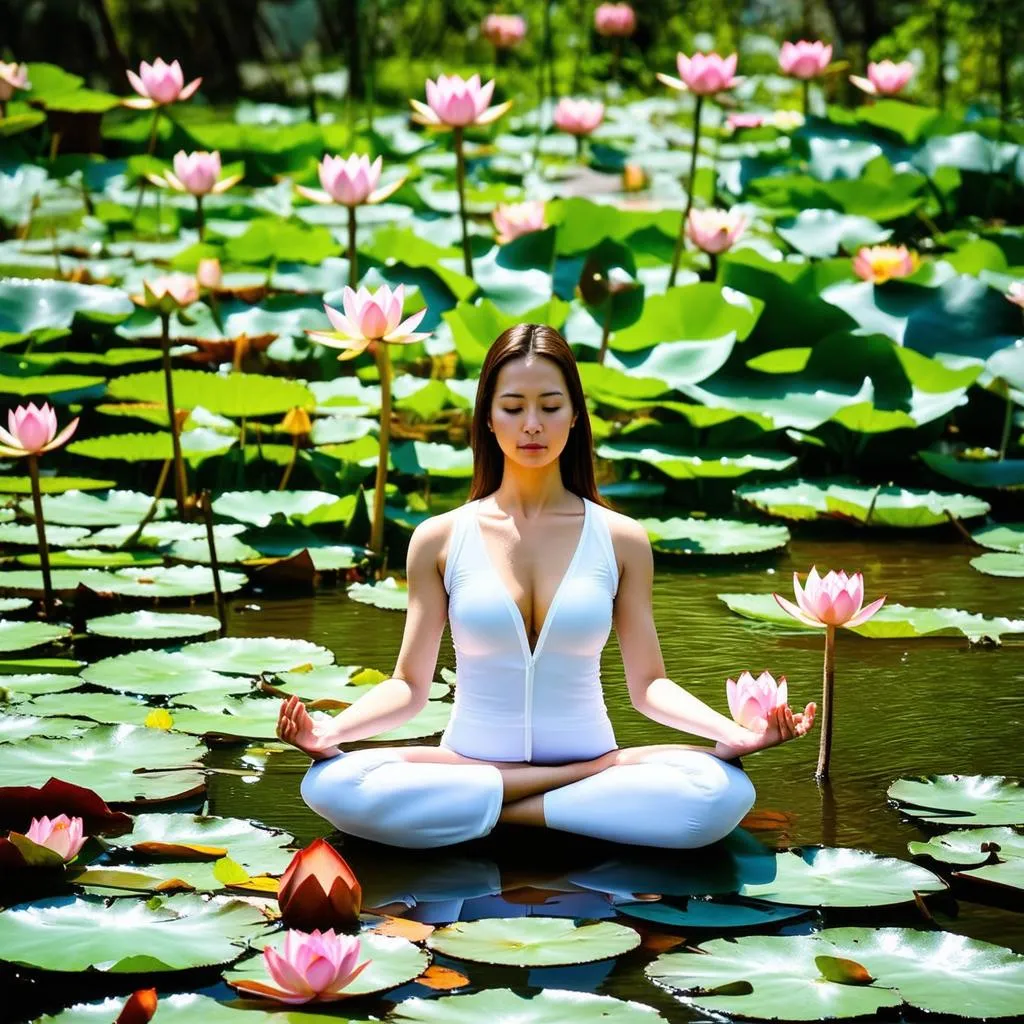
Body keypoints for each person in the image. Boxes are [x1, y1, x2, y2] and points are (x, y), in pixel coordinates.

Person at [278, 324, 815, 849]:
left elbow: (649, 686)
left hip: (568, 776)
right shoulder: (440, 539)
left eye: (550, 406)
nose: (531, 424)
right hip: (478, 767)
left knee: (719, 793)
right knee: (331, 782)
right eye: (513, 407)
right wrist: (331, 733)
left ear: (575, 415)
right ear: (487, 418)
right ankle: (553, 803)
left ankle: (497, 818)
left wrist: (733, 733)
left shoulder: (622, 539)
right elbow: (408, 688)